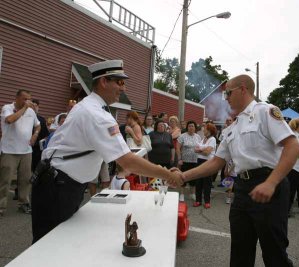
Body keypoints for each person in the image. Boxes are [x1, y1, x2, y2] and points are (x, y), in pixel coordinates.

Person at [32, 60, 182, 243]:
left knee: (57, 242)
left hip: (62, 184)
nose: (123, 88)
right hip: (58, 187)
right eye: (119, 82)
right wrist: (165, 174)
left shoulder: (90, 107)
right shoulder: (96, 114)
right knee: (48, 246)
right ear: (103, 81)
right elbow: (127, 161)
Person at [175, 74, 299, 266]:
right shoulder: (232, 127)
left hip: (268, 185)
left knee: (274, 253)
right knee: (240, 251)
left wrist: (271, 183)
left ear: (243, 89)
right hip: (242, 188)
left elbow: (293, 147)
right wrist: (183, 176)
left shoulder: (265, 112)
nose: (226, 99)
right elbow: (216, 162)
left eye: (228, 93)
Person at [0, 89, 41, 216]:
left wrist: (35, 135)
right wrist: (23, 109)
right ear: (17, 98)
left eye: (29, 99)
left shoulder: (31, 112)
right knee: (5, 180)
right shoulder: (8, 107)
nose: (27, 101)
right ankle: (1, 207)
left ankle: (23, 204)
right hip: (9, 150)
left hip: (26, 151)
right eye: (24, 99)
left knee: (25, 180)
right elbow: (9, 120)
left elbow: (38, 125)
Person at [193, 122, 217, 208]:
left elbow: (207, 152)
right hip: (199, 161)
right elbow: (195, 149)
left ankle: (207, 201)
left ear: (210, 130)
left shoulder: (212, 139)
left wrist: (200, 150)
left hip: (208, 162)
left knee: (207, 183)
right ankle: (198, 200)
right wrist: (202, 150)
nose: (203, 130)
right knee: (198, 182)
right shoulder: (203, 139)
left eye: (205, 129)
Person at [176, 120, 201, 202]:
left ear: (195, 128)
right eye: (189, 126)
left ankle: (192, 194)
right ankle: (182, 194)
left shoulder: (198, 136)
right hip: (185, 161)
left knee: (194, 177)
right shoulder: (182, 136)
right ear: (187, 127)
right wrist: (179, 159)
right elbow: (177, 148)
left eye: (192, 126)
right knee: (183, 177)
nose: (191, 127)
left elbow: (200, 147)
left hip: (195, 160)